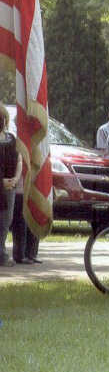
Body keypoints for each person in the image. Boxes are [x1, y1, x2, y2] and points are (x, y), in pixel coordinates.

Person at [0, 106, 21, 267]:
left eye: (2, 117)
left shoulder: (11, 138)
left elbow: (19, 160)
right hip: (1, 184)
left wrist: (15, 178)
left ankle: (2, 254)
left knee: (6, 220)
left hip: (9, 186)